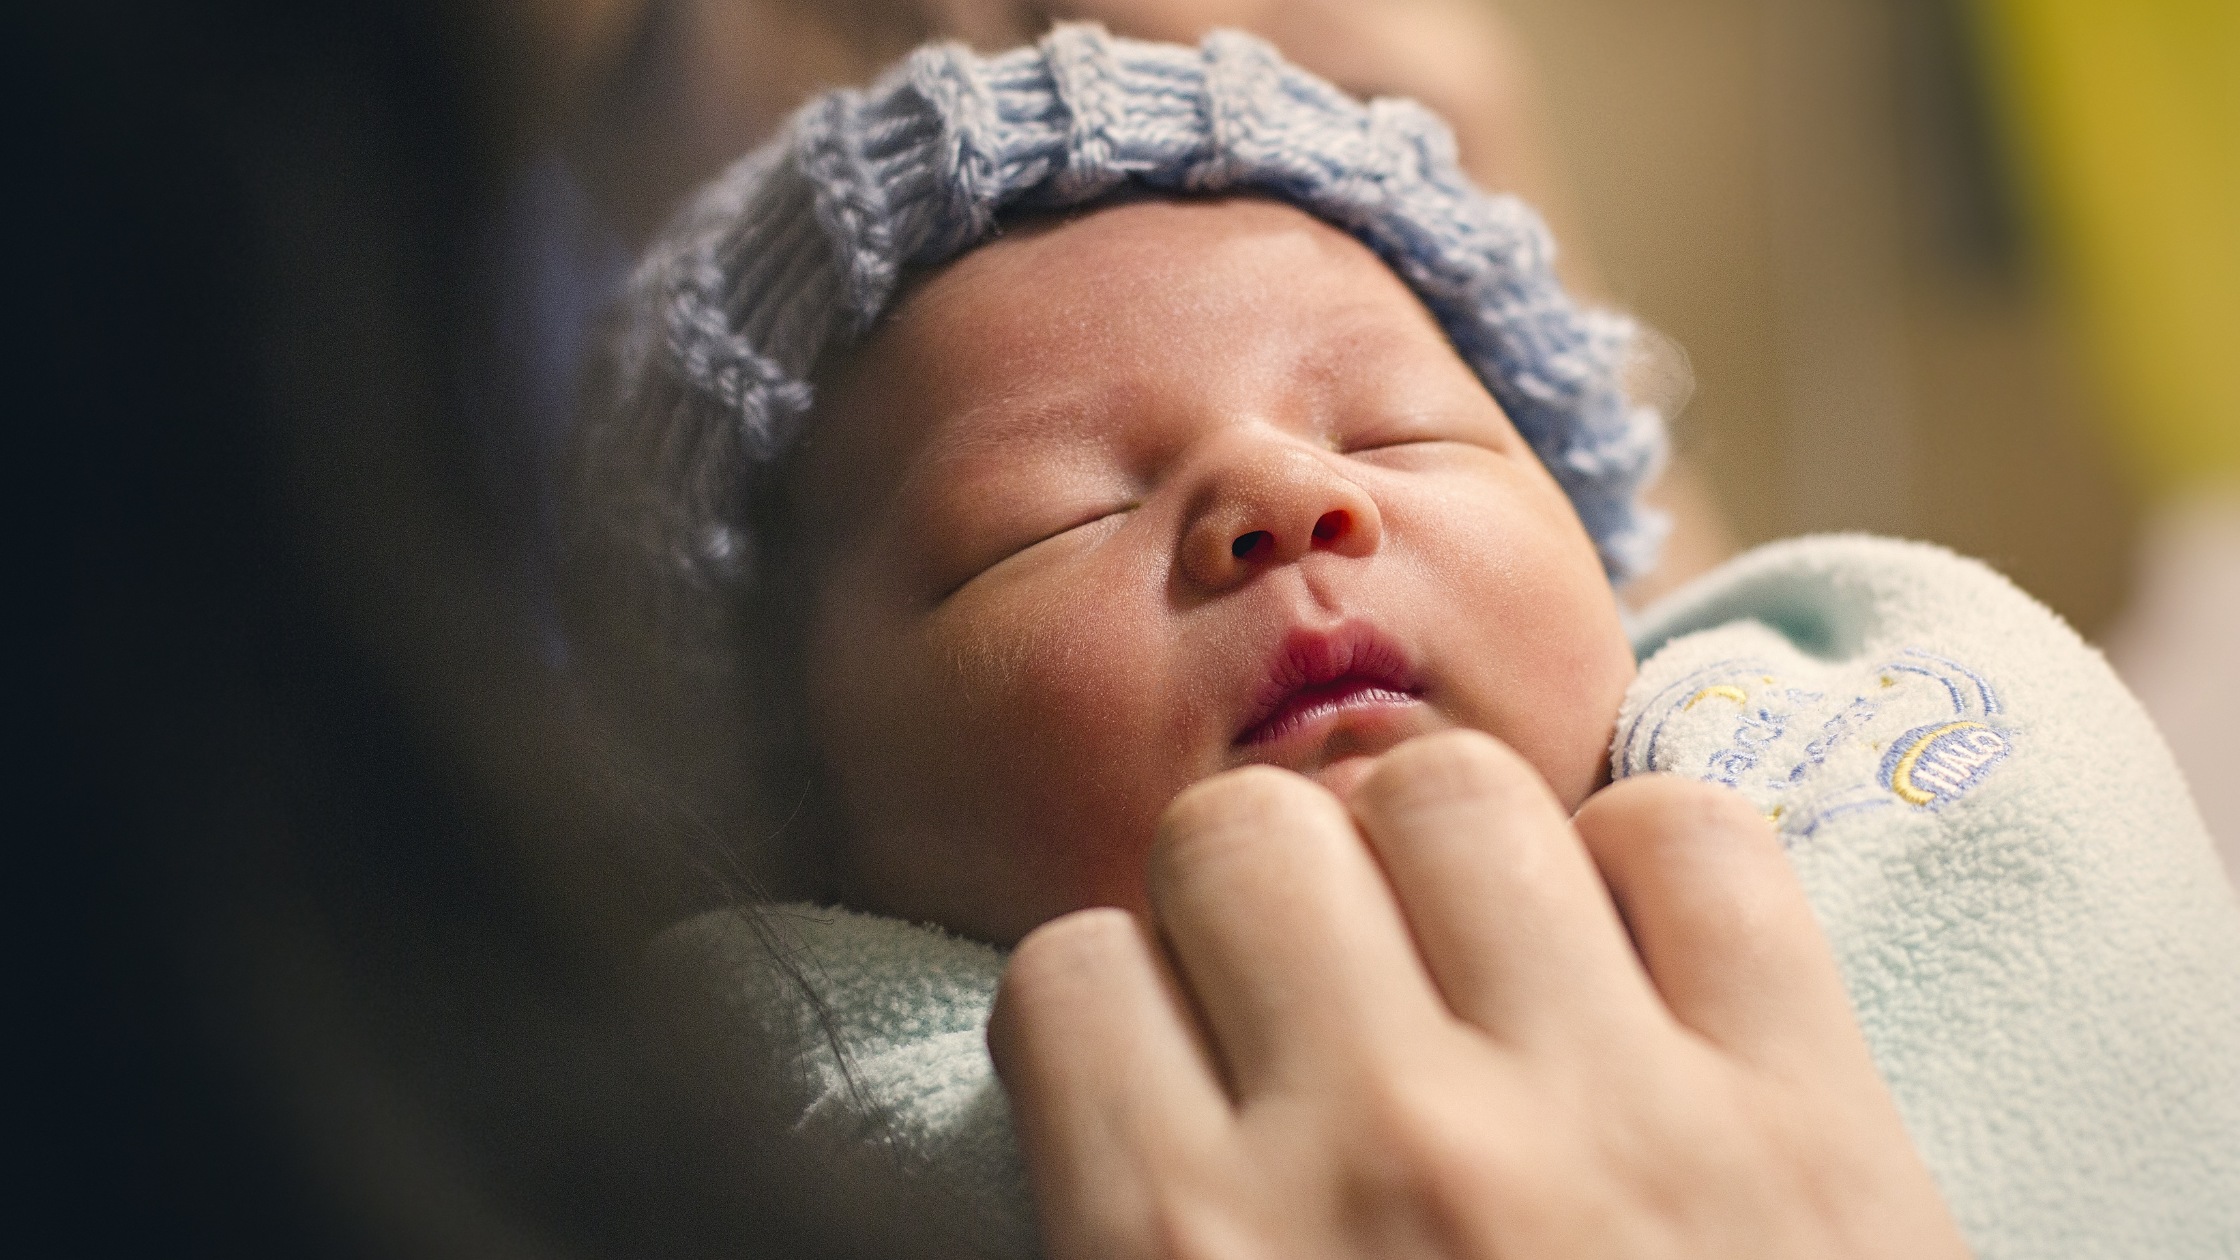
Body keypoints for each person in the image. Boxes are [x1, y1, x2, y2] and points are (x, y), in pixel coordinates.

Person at [577, 25, 2240, 1259]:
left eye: (1397, 435)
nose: (1287, 494)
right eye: (1045, 517)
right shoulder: (791, 1121)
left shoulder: (1829, 740)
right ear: (800, 818)